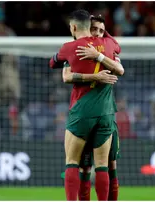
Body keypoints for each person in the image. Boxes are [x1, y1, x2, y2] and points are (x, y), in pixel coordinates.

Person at [49, 9, 124, 201]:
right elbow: (119, 63)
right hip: (106, 113)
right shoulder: (110, 44)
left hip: (82, 109)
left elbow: (53, 63)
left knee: (72, 162)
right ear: (90, 27)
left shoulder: (70, 47)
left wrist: (67, 60)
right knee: (102, 166)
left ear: (74, 27)